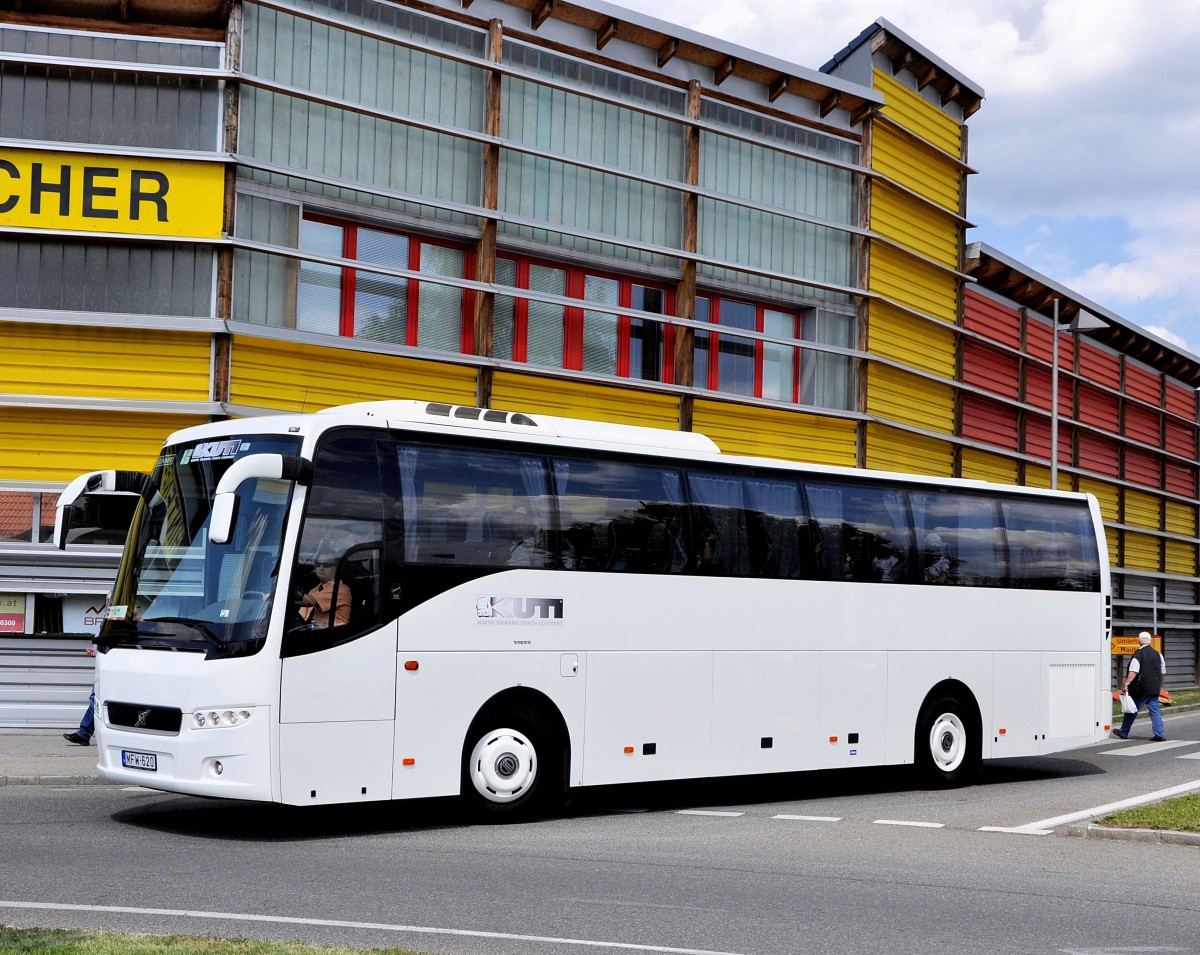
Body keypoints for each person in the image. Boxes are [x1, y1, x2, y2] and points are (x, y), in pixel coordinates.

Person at [1115, 631, 1166, 741]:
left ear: (1138, 641)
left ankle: (1124, 732)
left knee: (1132, 709)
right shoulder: (1158, 654)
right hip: (1154, 688)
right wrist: (1158, 684)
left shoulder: (1138, 654)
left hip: (1141, 689)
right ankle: (1160, 734)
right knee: (1155, 710)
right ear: (1150, 641)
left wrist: (1126, 684)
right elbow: (1162, 671)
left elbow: (1133, 671)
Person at [298, 549, 351, 628]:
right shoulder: (314, 590)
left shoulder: (341, 589)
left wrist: (288, 594)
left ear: (336, 568)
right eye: (318, 564)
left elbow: (309, 602)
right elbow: (302, 617)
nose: (321, 568)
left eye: (326, 565)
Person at [63, 643, 97, 746]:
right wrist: (96, 651)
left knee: (95, 700)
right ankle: (84, 734)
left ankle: (84, 734)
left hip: (111, 667)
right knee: (95, 699)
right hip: (106, 665)